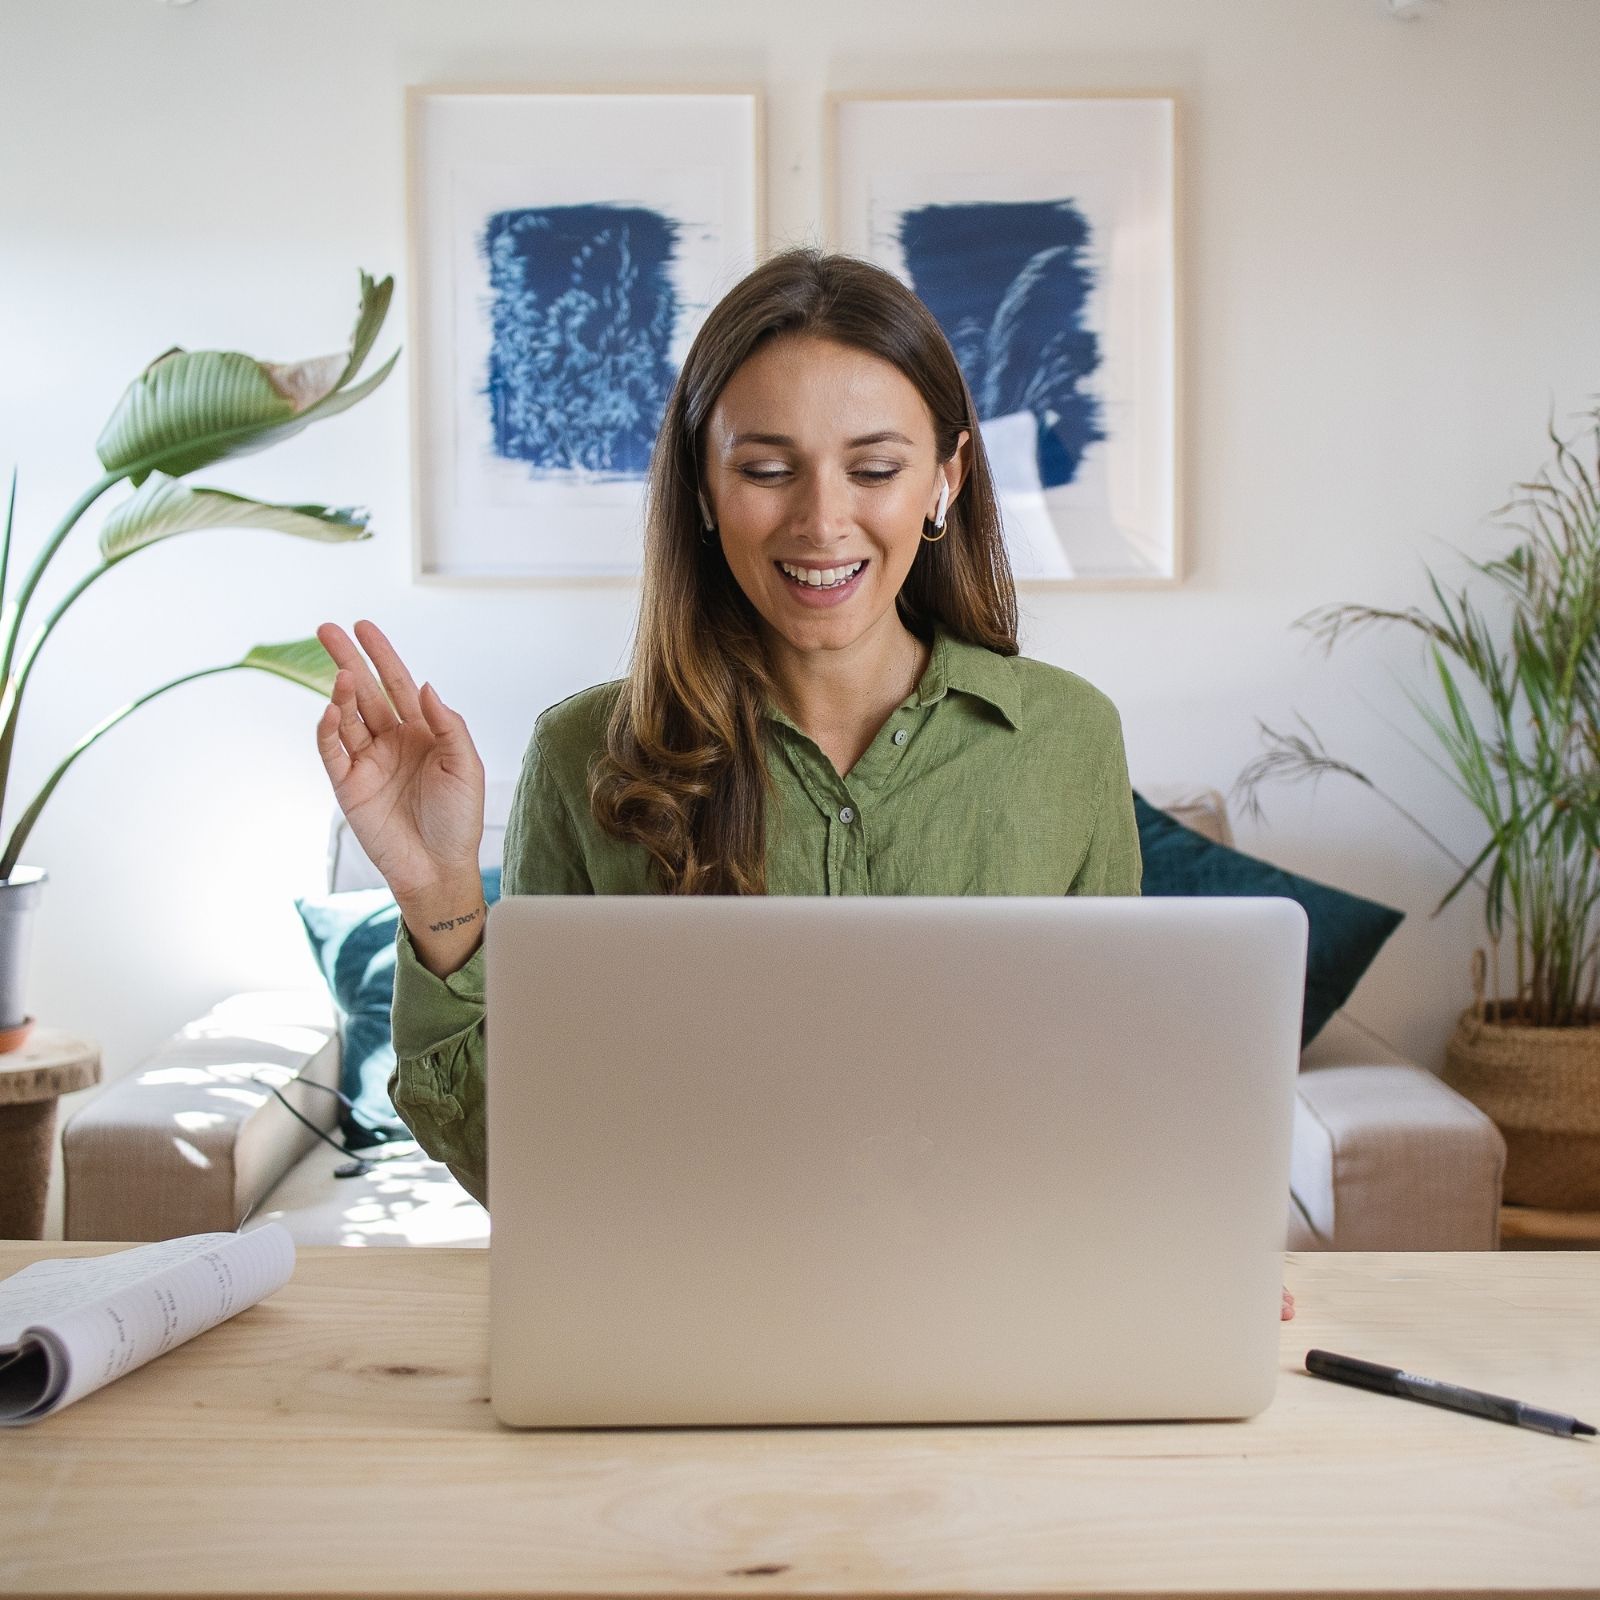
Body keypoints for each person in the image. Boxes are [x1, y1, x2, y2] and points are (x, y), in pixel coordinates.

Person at [315, 246, 1295, 1320]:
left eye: (873, 469)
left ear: (946, 478)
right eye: (767, 469)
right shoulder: (582, 754)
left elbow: (1105, 1098)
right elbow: (532, 1172)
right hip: (685, 1326)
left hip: (987, 1321)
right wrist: (438, 894)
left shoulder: (1065, 739)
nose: (822, 522)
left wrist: (1182, 1241)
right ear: (702, 485)